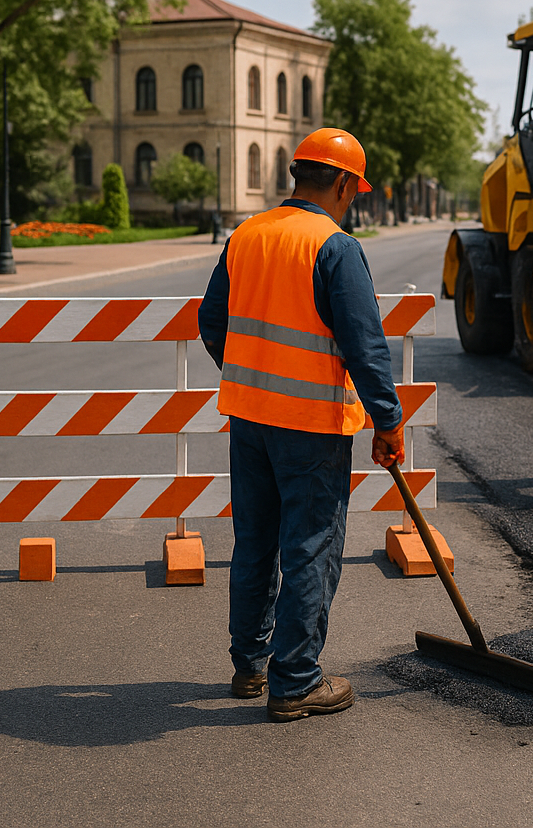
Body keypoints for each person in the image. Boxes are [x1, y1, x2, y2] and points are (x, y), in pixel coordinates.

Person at [198, 127, 405, 723]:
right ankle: (296, 681)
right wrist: (387, 421)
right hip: (311, 425)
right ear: (343, 183)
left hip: (250, 418)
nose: (353, 201)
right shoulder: (335, 247)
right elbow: (365, 347)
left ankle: (251, 665)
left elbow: (213, 321)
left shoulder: (247, 234)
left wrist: (250, 373)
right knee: (311, 544)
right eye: (354, 191)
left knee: (256, 540)